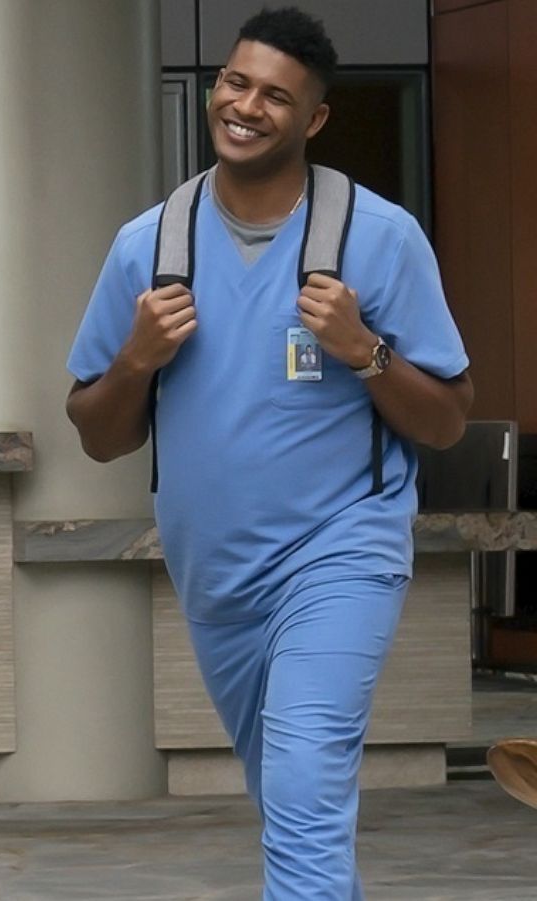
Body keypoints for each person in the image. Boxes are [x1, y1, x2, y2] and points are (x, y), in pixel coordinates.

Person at [65, 8, 471, 900]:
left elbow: (445, 420)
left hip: (340, 554)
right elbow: (99, 434)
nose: (246, 107)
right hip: (217, 578)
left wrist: (364, 347)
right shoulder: (151, 245)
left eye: (276, 96)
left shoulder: (380, 237)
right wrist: (135, 360)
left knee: (299, 792)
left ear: (314, 119)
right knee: (295, 806)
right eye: (235, 84)